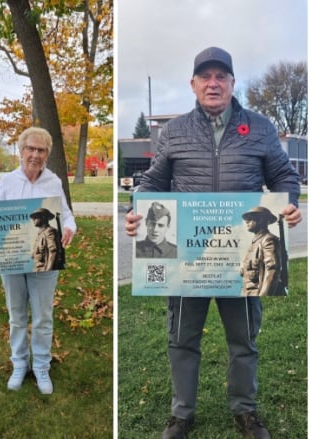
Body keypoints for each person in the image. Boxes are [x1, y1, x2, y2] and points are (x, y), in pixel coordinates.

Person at [124, 47, 302, 439]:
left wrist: (289, 204)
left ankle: (245, 411)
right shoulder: (174, 131)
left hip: (243, 255)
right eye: (205, 76)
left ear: (233, 83)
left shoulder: (260, 127)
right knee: (182, 338)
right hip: (187, 257)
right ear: (193, 84)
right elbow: (153, 182)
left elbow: (284, 177)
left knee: (243, 339)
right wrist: (136, 208)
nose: (213, 82)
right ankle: (182, 414)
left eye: (221, 75)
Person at [0, 127, 76, 395]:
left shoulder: (53, 182)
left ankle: (42, 365)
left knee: (42, 316)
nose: (35, 154)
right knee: (17, 316)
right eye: (30, 148)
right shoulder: (7, 181)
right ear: (21, 151)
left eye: (41, 150)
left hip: (45, 259)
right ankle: (19, 363)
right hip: (13, 259)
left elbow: (65, 212)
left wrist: (69, 227)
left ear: (47, 154)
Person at [240, 207, 284, 297]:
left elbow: (272, 269)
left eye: (250, 219)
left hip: (258, 292)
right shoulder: (255, 242)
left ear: (260, 220)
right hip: (248, 292)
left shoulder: (268, 240)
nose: (246, 222)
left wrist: (265, 295)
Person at [29, 208, 58, 272]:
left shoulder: (49, 231)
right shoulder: (40, 234)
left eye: (36, 217)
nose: (33, 219)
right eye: (33, 218)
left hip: (44, 268)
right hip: (38, 268)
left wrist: (49, 269)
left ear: (43, 217)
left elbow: (53, 251)